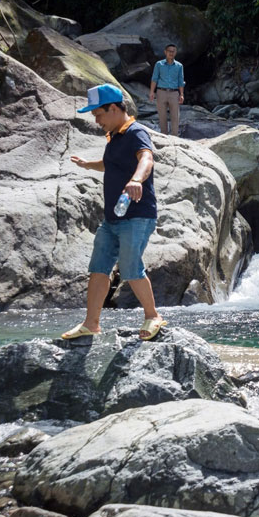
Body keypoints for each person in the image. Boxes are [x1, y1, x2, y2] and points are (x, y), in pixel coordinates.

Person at [63, 83, 167, 341]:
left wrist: (136, 181)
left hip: (137, 215)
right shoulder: (114, 137)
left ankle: (153, 315)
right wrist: (89, 165)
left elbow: (146, 158)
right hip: (112, 218)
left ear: (113, 108)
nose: (96, 121)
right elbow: (112, 164)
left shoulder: (135, 132)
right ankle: (91, 324)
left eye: (98, 115)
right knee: (99, 267)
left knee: (131, 267)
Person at [149, 44, 185, 136]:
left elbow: (180, 81)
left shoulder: (179, 66)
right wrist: (152, 92)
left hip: (174, 93)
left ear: (175, 53)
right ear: (165, 52)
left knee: (175, 117)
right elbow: (154, 78)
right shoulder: (159, 64)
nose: (171, 53)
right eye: (169, 51)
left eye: (173, 51)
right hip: (161, 92)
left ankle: (175, 137)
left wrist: (181, 94)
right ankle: (164, 136)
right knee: (162, 116)